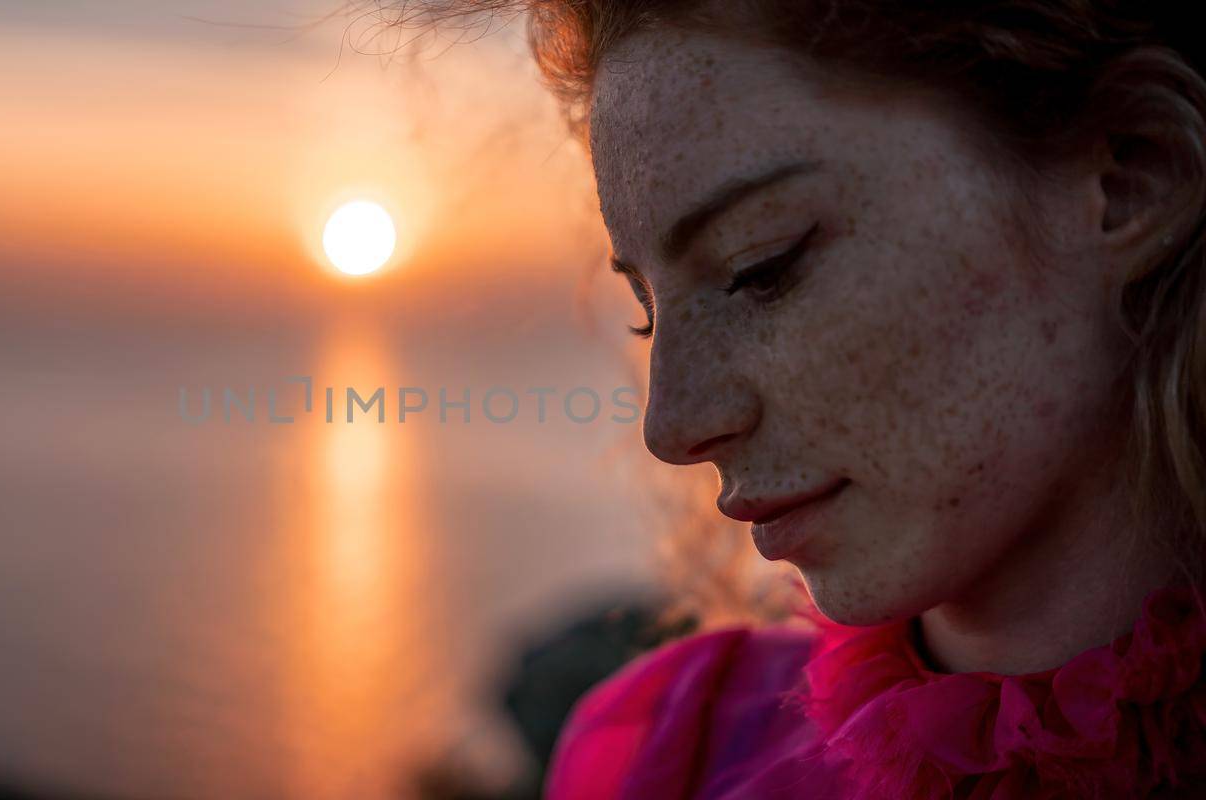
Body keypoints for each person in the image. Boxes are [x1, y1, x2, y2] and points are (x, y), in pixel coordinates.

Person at [391, 1, 1206, 796]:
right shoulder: (670, 757)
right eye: (648, 316)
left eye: (762, 265)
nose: (673, 427)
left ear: (1131, 177)